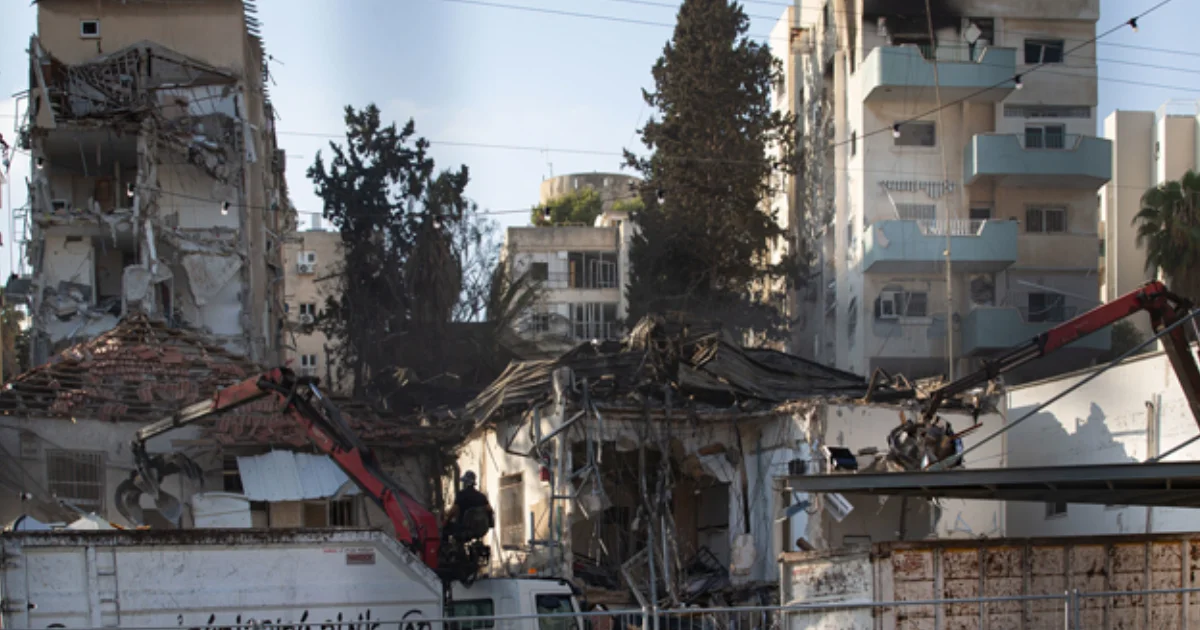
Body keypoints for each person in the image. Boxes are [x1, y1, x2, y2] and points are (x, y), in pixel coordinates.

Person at [443, 471, 493, 542]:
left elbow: (454, 510)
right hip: (480, 529)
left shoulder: (461, 495)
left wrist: (447, 520)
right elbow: (489, 509)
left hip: (463, 528)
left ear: (465, 483)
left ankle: (447, 549)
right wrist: (490, 523)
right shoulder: (481, 496)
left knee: (446, 529)